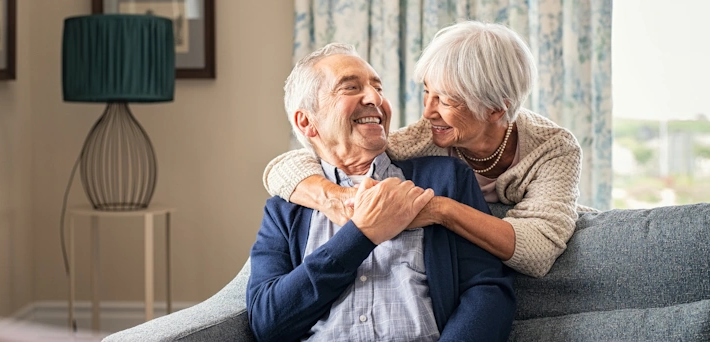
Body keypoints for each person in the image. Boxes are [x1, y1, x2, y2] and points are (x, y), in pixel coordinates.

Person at [263, 21, 586, 278]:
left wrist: (440, 210)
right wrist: (335, 197)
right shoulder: (424, 137)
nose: (428, 112)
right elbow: (288, 166)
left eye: (445, 100)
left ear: (495, 110)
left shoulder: (553, 149)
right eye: (427, 92)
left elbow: (538, 251)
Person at [246, 43, 514, 342]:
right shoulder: (285, 210)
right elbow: (268, 323)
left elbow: (487, 290)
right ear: (306, 122)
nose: (375, 98)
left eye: (378, 88)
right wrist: (361, 234)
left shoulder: (444, 179)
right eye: (350, 87)